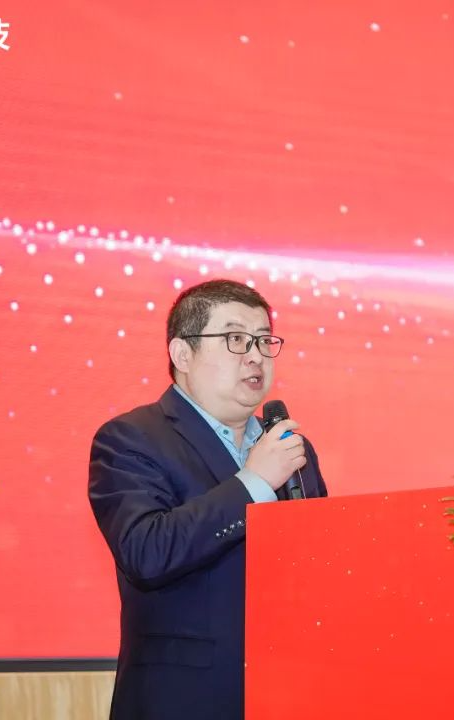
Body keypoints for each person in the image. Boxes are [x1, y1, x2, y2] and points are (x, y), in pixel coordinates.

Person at [88, 279, 329, 720]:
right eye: (236, 339)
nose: (255, 356)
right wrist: (254, 483)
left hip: (289, 692)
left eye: (263, 340)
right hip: (185, 699)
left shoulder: (291, 448)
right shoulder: (131, 439)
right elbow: (147, 552)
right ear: (183, 354)